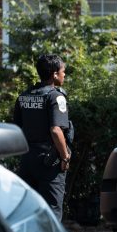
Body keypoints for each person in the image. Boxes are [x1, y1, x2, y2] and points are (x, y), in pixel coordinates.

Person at [13, 54, 73, 221]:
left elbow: (17, 128)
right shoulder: (56, 97)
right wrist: (65, 157)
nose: (64, 75)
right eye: (63, 71)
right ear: (54, 74)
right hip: (49, 162)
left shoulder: (24, 96)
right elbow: (56, 130)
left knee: (27, 210)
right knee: (52, 211)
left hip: (27, 160)